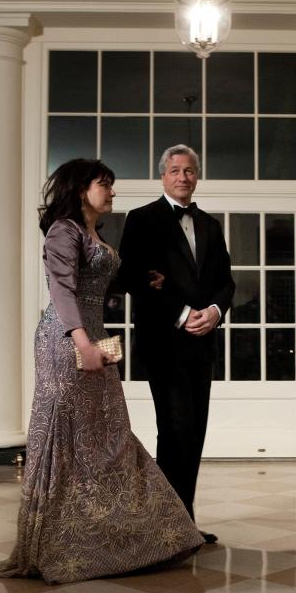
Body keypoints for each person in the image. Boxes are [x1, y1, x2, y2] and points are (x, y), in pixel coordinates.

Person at [0, 158, 203, 584]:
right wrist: (81, 342)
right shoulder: (63, 231)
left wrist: (145, 283)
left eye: (111, 185)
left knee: (109, 433)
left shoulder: (94, 234)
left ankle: (120, 535)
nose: (112, 192)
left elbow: (101, 282)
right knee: (68, 434)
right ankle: (58, 543)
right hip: (67, 339)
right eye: (104, 185)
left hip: (97, 336)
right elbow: (62, 289)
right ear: (80, 188)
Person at [119, 145, 235, 544]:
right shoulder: (142, 219)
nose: (182, 176)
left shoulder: (210, 225)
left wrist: (216, 311)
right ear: (163, 177)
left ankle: (183, 523)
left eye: (189, 170)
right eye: (175, 170)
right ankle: (164, 525)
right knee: (175, 428)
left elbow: (226, 281)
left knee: (194, 431)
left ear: (196, 176)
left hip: (203, 343)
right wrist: (184, 313)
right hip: (164, 342)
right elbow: (136, 276)